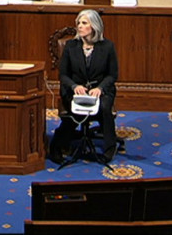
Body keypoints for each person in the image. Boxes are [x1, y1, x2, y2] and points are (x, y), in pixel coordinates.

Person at [49, 9, 119, 164]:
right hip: (74, 89)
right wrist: (74, 86)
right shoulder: (70, 46)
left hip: (100, 89)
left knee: (104, 109)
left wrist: (100, 88)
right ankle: (56, 147)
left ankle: (109, 148)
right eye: (78, 23)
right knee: (75, 112)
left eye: (84, 23)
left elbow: (112, 75)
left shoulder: (107, 47)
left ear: (93, 26)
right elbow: (63, 75)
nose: (79, 26)